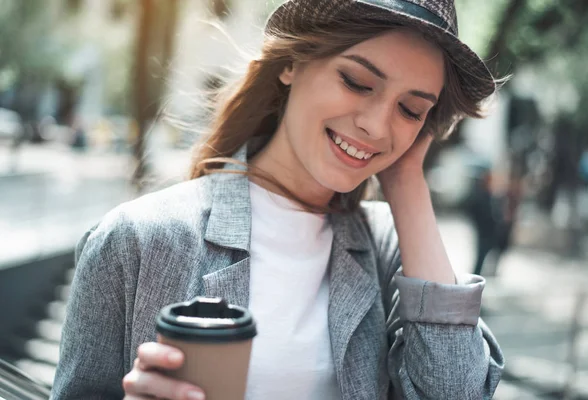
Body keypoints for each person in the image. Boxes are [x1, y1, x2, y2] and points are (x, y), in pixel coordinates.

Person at [51, 0, 506, 399]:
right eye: (356, 81)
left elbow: (457, 391)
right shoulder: (138, 239)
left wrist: (406, 179)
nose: (377, 126)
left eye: (410, 110)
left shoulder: (389, 248)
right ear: (292, 62)